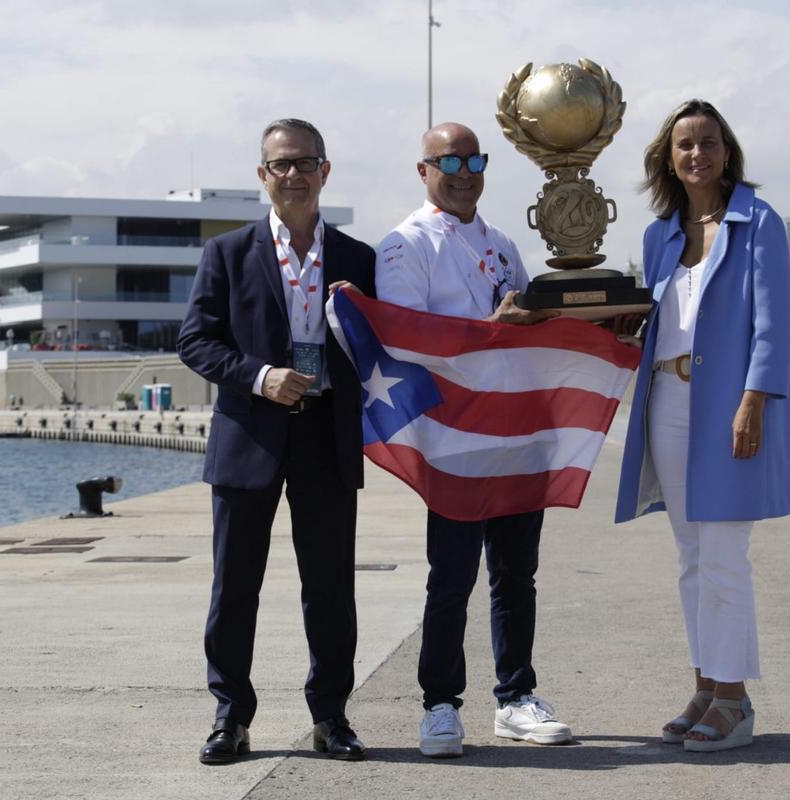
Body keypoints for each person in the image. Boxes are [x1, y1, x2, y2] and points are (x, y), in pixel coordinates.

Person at [613, 99, 790, 752]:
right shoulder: (659, 235)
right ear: (667, 158)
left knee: (725, 554)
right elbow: (652, 321)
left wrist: (755, 398)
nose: (696, 153)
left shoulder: (759, 223)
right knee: (691, 558)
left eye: (708, 141)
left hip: (729, 405)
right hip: (666, 403)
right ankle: (707, 685)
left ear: (727, 151)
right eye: (684, 145)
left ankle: (733, 701)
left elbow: (773, 322)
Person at [178, 118, 376, 764]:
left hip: (326, 437)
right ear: (262, 176)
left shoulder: (357, 258)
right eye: (281, 164)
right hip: (248, 438)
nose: (293, 174)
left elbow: (383, 347)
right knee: (235, 588)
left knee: (330, 589)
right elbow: (195, 342)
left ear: (325, 171)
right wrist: (261, 378)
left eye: (305, 162)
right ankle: (230, 717)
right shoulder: (227, 254)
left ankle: (331, 717)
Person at [375, 122, 573, 758]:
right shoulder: (405, 246)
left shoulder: (506, 244)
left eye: (474, 159)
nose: (464, 171)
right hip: (454, 438)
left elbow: (535, 324)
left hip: (514, 431)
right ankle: (439, 704)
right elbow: (407, 340)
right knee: (452, 576)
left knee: (517, 575)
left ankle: (516, 696)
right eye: (449, 160)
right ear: (423, 169)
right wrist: (494, 325)